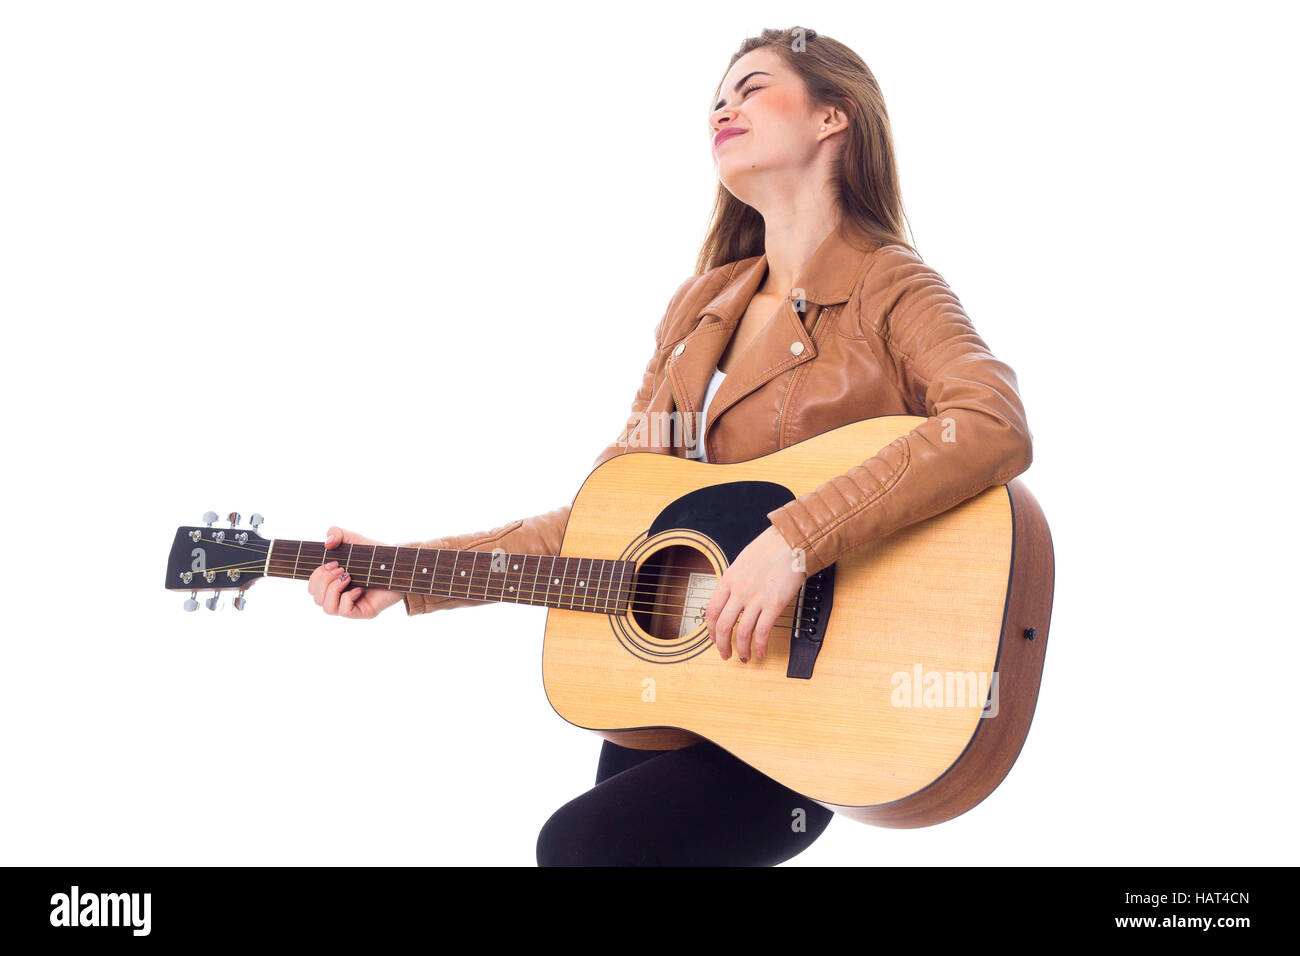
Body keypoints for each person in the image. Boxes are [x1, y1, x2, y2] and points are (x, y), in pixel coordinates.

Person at [305, 26, 1034, 866]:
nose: (724, 108)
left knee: (582, 849)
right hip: (683, 686)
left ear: (835, 117)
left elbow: (989, 422)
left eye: (752, 88)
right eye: (716, 99)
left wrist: (794, 542)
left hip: (818, 695)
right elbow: (612, 525)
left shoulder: (892, 287)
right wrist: (405, 567)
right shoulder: (703, 308)